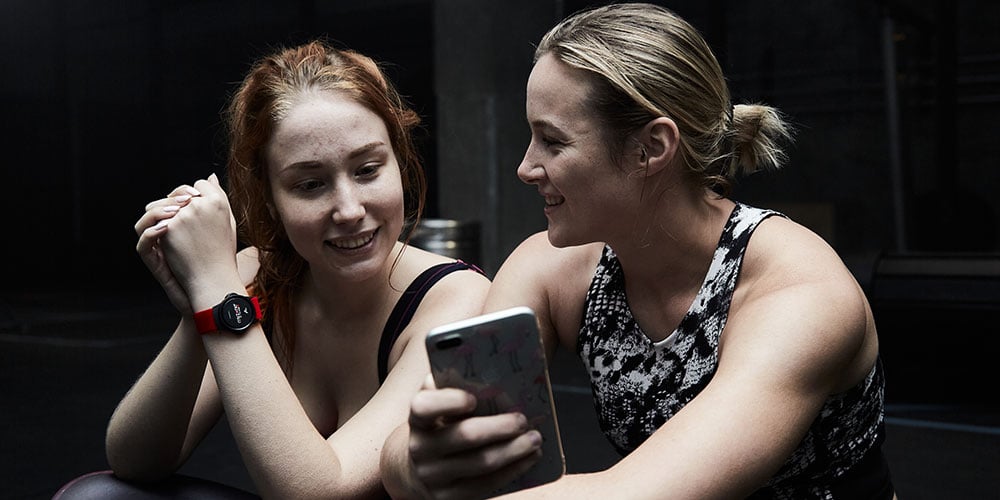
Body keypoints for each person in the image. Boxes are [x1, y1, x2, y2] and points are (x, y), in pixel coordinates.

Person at [381, 3, 895, 499]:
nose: (525, 167)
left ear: (650, 148)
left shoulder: (800, 294)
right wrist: (421, 461)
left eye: (552, 142)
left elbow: (632, 493)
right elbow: (404, 460)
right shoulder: (553, 269)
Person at [54, 40, 490, 499]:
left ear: (398, 164)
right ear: (269, 198)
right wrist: (198, 310)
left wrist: (219, 293)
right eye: (310, 184)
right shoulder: (254, 279)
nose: (348, 209)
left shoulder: (459, 300)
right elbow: (135, 458)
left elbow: (320, 491)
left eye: (367, 170)